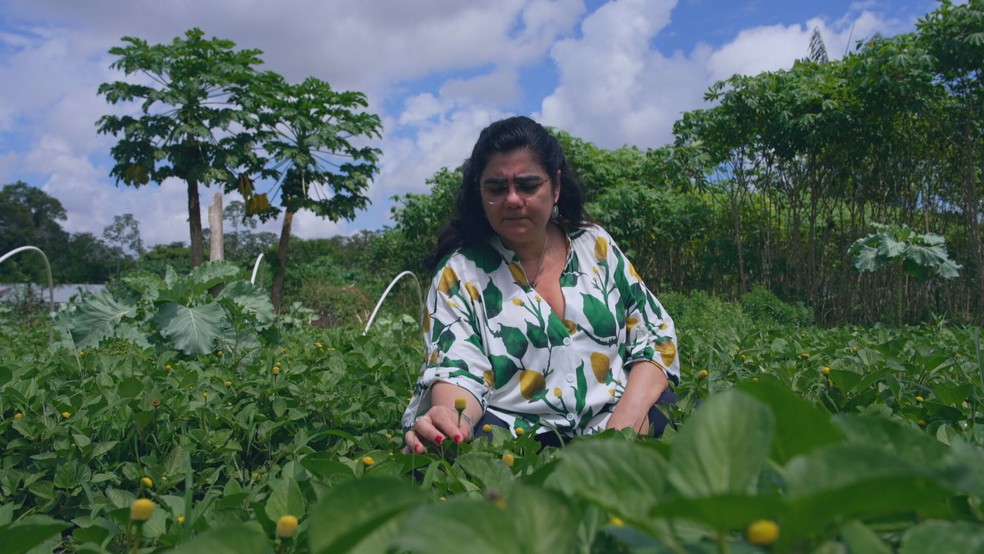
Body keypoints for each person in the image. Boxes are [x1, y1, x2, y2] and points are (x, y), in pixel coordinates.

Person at [402, 116, 680, 454]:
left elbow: (655, 334)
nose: (513, 199)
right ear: (479, 193)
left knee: (675, 416)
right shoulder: (460, 274)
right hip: (518, 439)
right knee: (459, 453)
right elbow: (457, 369)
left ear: (556, 186)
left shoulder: (595, 245)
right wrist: (450, 420)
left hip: (617, 420)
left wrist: (622, 428)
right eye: (496, 188)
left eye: (529, 185)